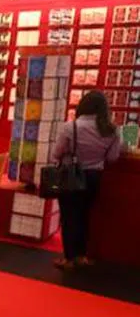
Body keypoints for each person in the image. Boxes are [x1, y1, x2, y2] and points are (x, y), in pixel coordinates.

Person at [50, 91, 121, 270]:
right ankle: (81, 255)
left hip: (72, 174)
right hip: (94, 177)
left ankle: (68, 258)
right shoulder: (112, 131)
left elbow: (57, 153)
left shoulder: (70, 127)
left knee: (68, 217)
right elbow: (112, 158)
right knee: (84, 216)